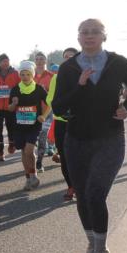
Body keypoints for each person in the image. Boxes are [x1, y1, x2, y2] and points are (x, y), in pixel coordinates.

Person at [52, 19, 127, 253]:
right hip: (77, 139)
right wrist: (79, 86)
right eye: (84, 32)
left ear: (104, 36)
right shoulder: (68, 68)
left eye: (95, 32)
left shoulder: (118, 62)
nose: (89, 36)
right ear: (78, 37)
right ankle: (92, 246)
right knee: (82, 194)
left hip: (110, 138)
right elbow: (58, 106)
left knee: (95, 193)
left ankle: (102, 251)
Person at [8, 61, 50, 190]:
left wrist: (43, 116)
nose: (25, 77)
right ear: (19, 75)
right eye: (22, 74)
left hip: (34, 125)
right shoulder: (15, 89)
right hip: (19, 126)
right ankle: (28, 178)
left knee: (29, 150)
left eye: (27, 74)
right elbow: (10, 109)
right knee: (23, 152)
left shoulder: (38, 89)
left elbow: (50, 103)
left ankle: (34, 174)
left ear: (32, 75)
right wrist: (14, 104)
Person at [47, 48, 78, 201]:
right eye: (66, 57)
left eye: (72, 56)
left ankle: (80, 185)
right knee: (64, 156)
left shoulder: (86, 74)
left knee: (79, 155)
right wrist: (61, 107)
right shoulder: (56, 77)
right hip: (61, 121)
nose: (68, 58)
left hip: (79, 122)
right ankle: (71, 186)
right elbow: (50, 99)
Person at [0, 54, 20, 161]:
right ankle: (0, 152)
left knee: (11, 128)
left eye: (7, 61)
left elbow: (20, 86)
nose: (6, 63)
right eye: (3, 61)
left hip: (11, 107)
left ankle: (11, 144)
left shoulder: (15, 73)